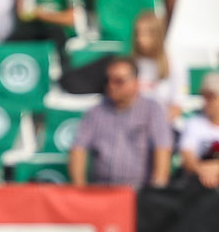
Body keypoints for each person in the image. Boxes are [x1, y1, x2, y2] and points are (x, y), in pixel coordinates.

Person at [69, 58, 172, 188]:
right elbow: (78, 149)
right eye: (108, 80)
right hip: (104, 190)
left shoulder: (152, 109)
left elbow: (162, 148)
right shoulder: (96, 112)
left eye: (119, 81)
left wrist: (157, 191)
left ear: (135, 82)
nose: (112, 86)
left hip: (138, 192)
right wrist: (80, 190)